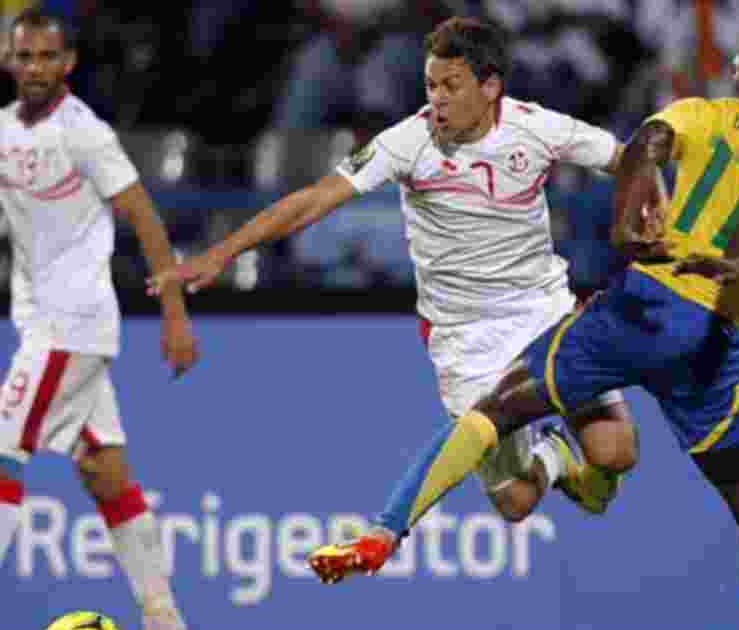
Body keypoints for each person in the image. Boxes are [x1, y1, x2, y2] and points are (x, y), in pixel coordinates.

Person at [306, 18, 739, 630]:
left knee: (497, 409)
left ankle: (383, 533)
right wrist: (734, 257)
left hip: (637, 307)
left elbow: (645, 145)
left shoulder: (699, 112)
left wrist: (627, 220)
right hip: (712, 339)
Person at [149, 17, 639, 524]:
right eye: (431, 85)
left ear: (490, 86)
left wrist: (656, 215)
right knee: (516, 503)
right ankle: (553, 454)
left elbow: (631, 159)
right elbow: (314, 200)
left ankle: (565, 447)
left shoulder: (537, 127)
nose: (438, 99)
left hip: (543, 315)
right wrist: (222, 252)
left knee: (616, 452)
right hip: (468, 338)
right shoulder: (408, 142)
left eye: (451, 86)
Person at [0, 9, 198, 630]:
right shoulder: (3, 130)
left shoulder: (83, 132)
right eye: (24, 56)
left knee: (2, 451)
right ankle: (165, 624)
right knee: (104, 471)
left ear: (69, 63)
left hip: (71, 326)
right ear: (8, 60)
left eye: (46, 57)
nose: (34, 68)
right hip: (44, 323)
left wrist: (174, 311)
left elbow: (142, 213)